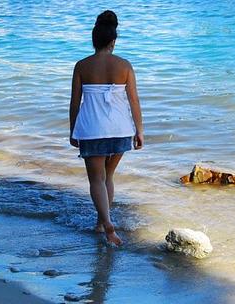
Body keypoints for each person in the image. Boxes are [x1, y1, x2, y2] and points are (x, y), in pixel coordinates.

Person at [69, 10, 143, 246]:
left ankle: (106, 224)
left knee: (96, 180)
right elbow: (134, 101)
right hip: (120, 129)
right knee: (108, 176)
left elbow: (74, 102)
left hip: (92, 129)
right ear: (113, 41)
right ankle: (102, 223)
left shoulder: (82, 65)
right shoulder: (125, 65)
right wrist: (139, 130)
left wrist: (73, 130)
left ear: (94, 41)